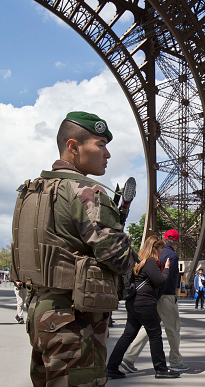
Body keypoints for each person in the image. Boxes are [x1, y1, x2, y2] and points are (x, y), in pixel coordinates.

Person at [12, 112, 137, 386]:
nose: (108, 154)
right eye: (101, 144)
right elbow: (118, 256)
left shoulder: (32, 191)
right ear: (73, 146)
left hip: (40, 311)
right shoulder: (85, 191)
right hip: (74, 318)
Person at [106, 236, 180, 379]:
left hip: (133, 302)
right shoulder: (150, 262)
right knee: (155, 335)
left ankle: (112, 367)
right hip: (145, 303)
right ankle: (161, 369)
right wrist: (166, 269)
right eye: (160, 249)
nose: (161, 251)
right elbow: (160, 281)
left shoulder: (137, 261)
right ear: (153, 249)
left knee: (128, 335)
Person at [121, 229, 190, 374]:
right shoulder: (173, 256)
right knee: (173, 330)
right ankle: (175, 361)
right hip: (166, 297)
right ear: (176, 242)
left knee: (148, 329)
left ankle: (129, 358)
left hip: (153, 296)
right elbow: (168, 279)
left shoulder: (156, 254)